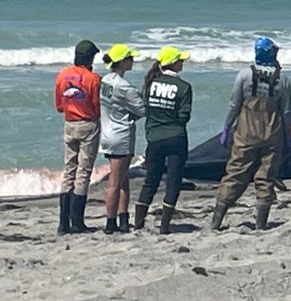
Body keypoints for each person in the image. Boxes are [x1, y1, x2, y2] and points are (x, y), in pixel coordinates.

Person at [210, 37, 291, 232]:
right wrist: (288, 138)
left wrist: (226, 127)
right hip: (272, 133)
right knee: (266, 177)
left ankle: (216, 222)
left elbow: (234, 104)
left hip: (246, 133)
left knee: (235, 174)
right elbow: (286, 112)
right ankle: (260, 225)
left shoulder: (244, 75)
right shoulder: (283, 79)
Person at [135, 46, 193, 234]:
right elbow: (184, 116)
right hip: (176, 137)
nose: (182, 63)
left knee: (150, 181)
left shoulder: (150, 83)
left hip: (154, 137)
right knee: (173, 182)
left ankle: (138, 224)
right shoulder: (184, 87)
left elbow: (145, 109)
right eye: (180, 60)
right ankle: (165, 226)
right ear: (173, 64)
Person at [53, 40, 102, 234]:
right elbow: (97, 107)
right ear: (90, 58)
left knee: (69, 170)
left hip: (69, 123)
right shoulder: (94, 78)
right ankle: (77, 221)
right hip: (88, 124)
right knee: (83, 172)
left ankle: (63, 223)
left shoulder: (62, 75)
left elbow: (59, 106)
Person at [99, 44, 145, 234]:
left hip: (107, 132)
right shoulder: (124, 86)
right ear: (122, 62)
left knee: (123, 179)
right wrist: (130, 115)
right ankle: (111, 222)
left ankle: (123, 218)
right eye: (130, 58)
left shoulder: (105, 80)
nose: (132, 61)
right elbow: (142, 109)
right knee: (115, 182)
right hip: (121, 135)